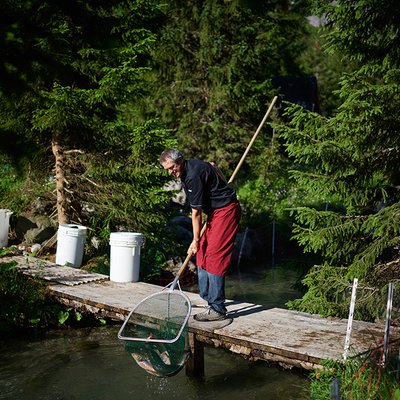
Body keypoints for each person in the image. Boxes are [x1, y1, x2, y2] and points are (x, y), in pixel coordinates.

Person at [159, 148, 241, 322]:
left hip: (226, 211)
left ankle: (217, 308)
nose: (170, 172)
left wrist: (195, 240)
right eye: (167, 169)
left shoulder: (192, 176)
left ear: (180, 161)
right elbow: (211, 165)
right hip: (215, 212)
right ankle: (207, 297)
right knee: (202, 253)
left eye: (172, 167)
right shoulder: (187, 170)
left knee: (215, 256)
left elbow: (196, 213)